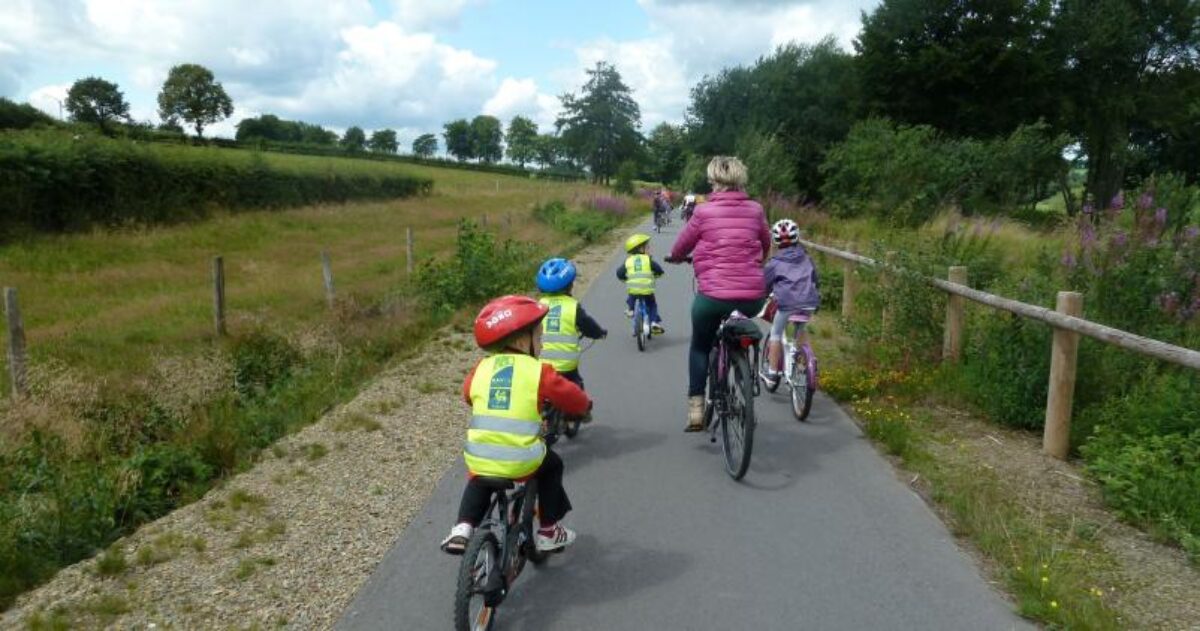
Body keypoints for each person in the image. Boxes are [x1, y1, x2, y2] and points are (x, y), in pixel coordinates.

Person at [440, 295, 591, 555]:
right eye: (539, 337)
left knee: (479, 479)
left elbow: (468, 394)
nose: (541, 344)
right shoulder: (538, 370)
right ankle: (548, 531)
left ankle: (462, 528)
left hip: (478, 454)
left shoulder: (481, 367)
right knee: (552, 466)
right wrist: (584, 406)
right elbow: (571, 397)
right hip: (521, 459)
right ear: (523, 340)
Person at [667, 156, 770, 432]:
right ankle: (744, 374)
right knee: (741, 329)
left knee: (700, 345)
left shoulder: (703, 213)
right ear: (740, 180)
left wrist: (676, 257)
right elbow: (765, 242)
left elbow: (681, 246)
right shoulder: (756, 209)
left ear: (713, 181)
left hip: (713, 297)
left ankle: (696, 410)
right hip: (752, 297)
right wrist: (756, 264)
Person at [761, 219, 820, 388]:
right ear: (797, 238)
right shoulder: (807, 258)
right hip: (809, 301)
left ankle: (772, 373)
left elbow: (765, 285)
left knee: (776, 333)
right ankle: (805, 365)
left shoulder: (774, 263)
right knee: (801, 329)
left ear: (775, 240)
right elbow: (815, 279)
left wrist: (765, 296)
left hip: (786, 303)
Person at [536, 257, 608, 389]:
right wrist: (599, 333)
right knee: (578, 396)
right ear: (570, 285)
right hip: (566, 369)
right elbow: (588, 325)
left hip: (540, 367)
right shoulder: (573, 306)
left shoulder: (538, 306)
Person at [616, 233, 666, 334]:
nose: (649, 249)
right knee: (652, 304)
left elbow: (619, 273)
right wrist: (656, 276)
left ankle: (630, 309)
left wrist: (626, 279)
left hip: (633, 289)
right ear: (640, 249)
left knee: (631, 295)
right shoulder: (648, 259)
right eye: (647, 247)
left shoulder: (628, 261)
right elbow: (659, 271)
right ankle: (653, 323)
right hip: (647, 290)